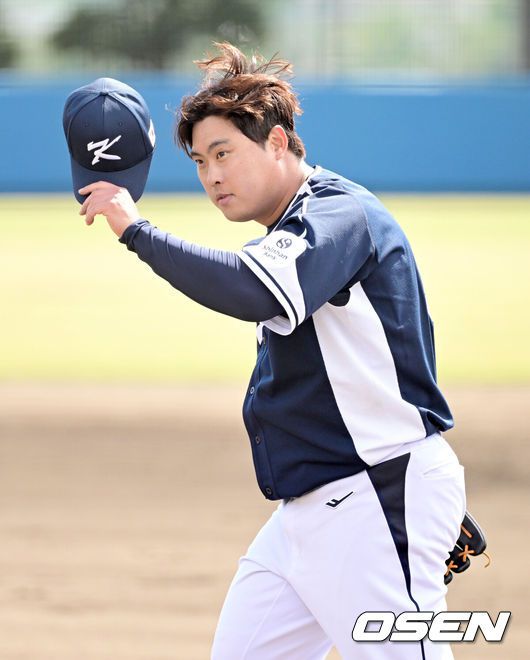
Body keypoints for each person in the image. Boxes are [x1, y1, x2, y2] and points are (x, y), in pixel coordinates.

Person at [78, 43, 466, 660]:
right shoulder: (290, 231)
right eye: (200, 161)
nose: (212, 176)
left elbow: (250, 289)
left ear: (278, 142)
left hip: (378, 493)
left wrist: (137, 231)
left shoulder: (337, 213)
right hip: (309, 514)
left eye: (224, 153)